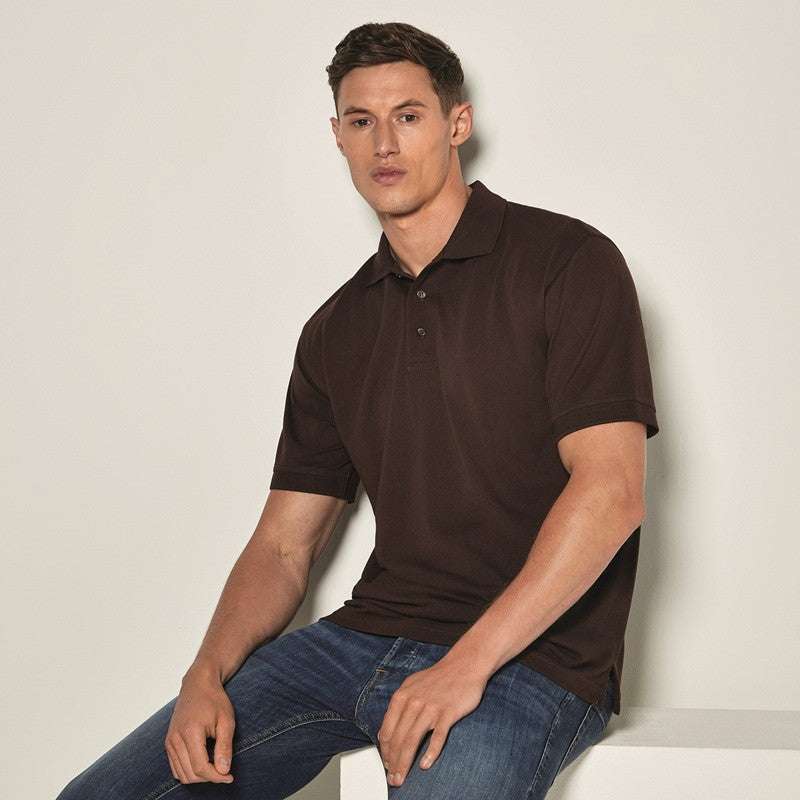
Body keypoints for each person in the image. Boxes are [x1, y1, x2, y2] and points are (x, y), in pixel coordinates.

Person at [57, 21, 657, 800]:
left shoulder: (567, 263)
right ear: (336, 136)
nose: (385, 143)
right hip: (356, 643)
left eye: (408, 115)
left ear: (457, 124)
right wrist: (205, 671)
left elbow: (612, 492)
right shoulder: (336, 328)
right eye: (361, 120)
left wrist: (465, 667)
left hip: (531, 660)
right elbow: (284, 546)